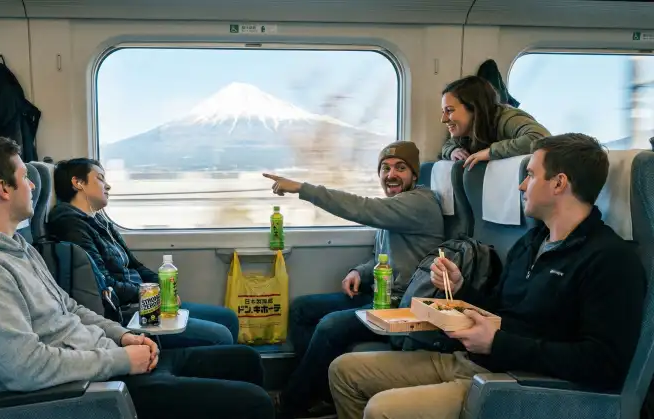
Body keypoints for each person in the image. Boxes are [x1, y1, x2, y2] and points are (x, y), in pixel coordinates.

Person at [0, 136, 274, 419]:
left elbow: (70, 308)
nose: (33, 185)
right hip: (82, 392)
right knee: (254, 404)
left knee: (245, 361)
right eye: (25, 177)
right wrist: (120, 359)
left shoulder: (17, 247)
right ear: (3, 189)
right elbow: (24, 368)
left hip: (103, 359)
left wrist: (124, 336)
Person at [328, 133, 646, 419]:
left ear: (559, 183)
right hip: (474, 360)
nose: (521, 186)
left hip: (517, 382)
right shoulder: (531, 243)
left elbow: (604, 363)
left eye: (531, 175)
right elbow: (499, 309)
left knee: (382, 410)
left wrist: (499, 343)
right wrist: (460, 288)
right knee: (344, 371)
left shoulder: (609, 259)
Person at [263, 141, 445, 417]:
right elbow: (384, 258)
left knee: (330, 325)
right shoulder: (395, 208)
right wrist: (359, 271)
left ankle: (291, 405)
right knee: (301, 309)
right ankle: (323, 394)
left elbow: (361, 208)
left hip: (402, 306)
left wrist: (302, 188)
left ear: (415, 174)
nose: (391, 175)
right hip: (381, 294)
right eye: (385, 168)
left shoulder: (420, 204)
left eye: (400, 168)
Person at [46, 158, 239, 349]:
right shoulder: (70, 225)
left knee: (228, 318)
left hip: (143, 302)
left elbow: (134, 265)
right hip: (126, 313)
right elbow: (105, 286)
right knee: (220, 335)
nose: (108, 186)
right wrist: (151, 295)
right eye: (100, 178)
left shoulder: (100, 222)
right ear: (78, 182)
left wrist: (162, 289)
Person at [439, 75, 551, 169]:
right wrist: (453, 151)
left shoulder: (506, 118)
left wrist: (490, 152)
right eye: (443, 111)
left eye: (449, 110)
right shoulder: (465, 131)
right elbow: (449, 144)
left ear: (474, 108)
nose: (443, 119)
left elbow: (541, 139)